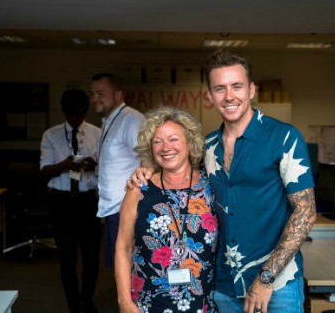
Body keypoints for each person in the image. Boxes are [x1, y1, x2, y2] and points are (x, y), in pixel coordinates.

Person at [128, 49, 316, 313]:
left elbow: (305, 211)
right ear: (209, 96)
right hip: (223, 286)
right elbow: (176, 171)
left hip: (277, 286)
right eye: (220, 88)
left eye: (237, 86)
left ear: (251, 90)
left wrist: (266, 278)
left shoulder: (284, 138)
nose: (229, 96)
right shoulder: (207, 148)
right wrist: (145, 170)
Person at [115, 106, 218, 313]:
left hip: (203, 304)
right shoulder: (138, 189)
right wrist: (124, 302)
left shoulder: (211, 187)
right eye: (157, 141)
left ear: (190, 142)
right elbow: (123, 248)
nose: (165, 147)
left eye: (173, 139)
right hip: (147, 304)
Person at [40, 89, 102, 313]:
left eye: (80, 114)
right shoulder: (51, 135)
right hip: (61, 202)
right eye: (72, 114)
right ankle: (74, 305)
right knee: (67, 259)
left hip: (88, 201)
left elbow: (106, 168)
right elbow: (45, 170)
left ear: (85, 111)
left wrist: (92, 166)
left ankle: (86, 300)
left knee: (91, 257)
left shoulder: (98, 133)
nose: (76, 118)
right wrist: (65, 164)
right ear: (64, 112)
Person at [90, 73, 144, 270]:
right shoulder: (109, 121)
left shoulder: (131, 119)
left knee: (128, 270)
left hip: (126, 209)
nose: (95, 98)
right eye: (93, 93)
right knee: (117, 267)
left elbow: (148, 161)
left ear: (118, 95)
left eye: (101, 93)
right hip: (112, 208)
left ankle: (130, 302)